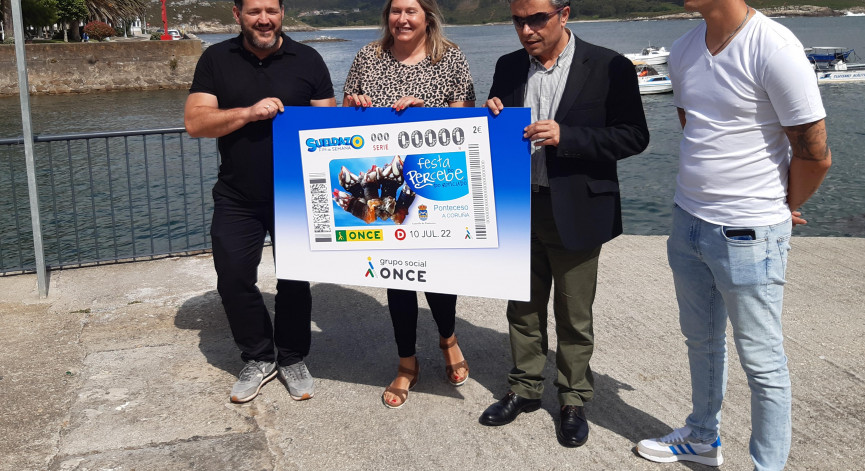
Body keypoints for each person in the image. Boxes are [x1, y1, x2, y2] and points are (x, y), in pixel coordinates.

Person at [635, 1, 831, 469]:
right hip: (688, 221)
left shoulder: (774, 46)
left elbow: (815, 150)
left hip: (749, 233)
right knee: (700, 340)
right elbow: (695, 127)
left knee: (763, 363)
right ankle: (703, 437)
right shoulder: (683, 50)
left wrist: (784, 208)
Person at [477, 0, 649, 448]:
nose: (527, 30)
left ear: (564, 14)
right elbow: (500, 124)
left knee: (574, 313)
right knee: (522, 307)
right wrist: (492, 111)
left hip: (575, 207)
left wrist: (566, 136)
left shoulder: (610, 66)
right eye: (519, 21)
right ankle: (523, 389)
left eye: (538, 19)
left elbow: (634, 135)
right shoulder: (508, 65)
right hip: (518, 205)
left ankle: (573, 399)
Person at [183, 0, 336, 404]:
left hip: (297, 195)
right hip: (237, 195)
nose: (263, 19)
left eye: (271, 10)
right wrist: (249, 113)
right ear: (237, 15)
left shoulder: (309, 59)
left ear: (282, 13)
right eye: (254, 11)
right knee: (233, 277)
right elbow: (196, 122)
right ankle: (257, 355)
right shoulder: (215, 59)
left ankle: (291, 357)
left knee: (295, 281)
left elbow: (332, 128)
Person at [342, 0, 475, 409]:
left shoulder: (450, 58)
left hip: (433, 181)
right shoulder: (368, 57)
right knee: (397, 279)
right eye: (396, 10)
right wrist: (358, 106)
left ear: (427, 16)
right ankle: (405, 362)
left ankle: (448, 338)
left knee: (438, 274)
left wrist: (428, 111)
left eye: (411, 11)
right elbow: (344, 117)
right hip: (384, 185)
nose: (402, 18)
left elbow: (466, 120)